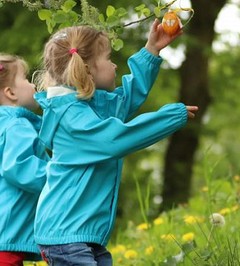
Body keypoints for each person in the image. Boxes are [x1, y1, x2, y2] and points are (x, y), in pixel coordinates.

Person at [33, 19, 198, 265]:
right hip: (66, 235)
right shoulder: (72, 118)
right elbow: (115, 139)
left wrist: (151, 52)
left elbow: (124, 101)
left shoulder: (87, 108)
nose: (113, 65)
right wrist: (170, 117)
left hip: (82, 235)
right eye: (109, 59)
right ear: (88, 69)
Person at [0, 54, 49, 265]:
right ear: (10, 93)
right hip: (5, 234)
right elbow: (18, 167)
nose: (32, 84)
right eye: (26, 79)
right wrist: (58, 174)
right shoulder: (17, 125)